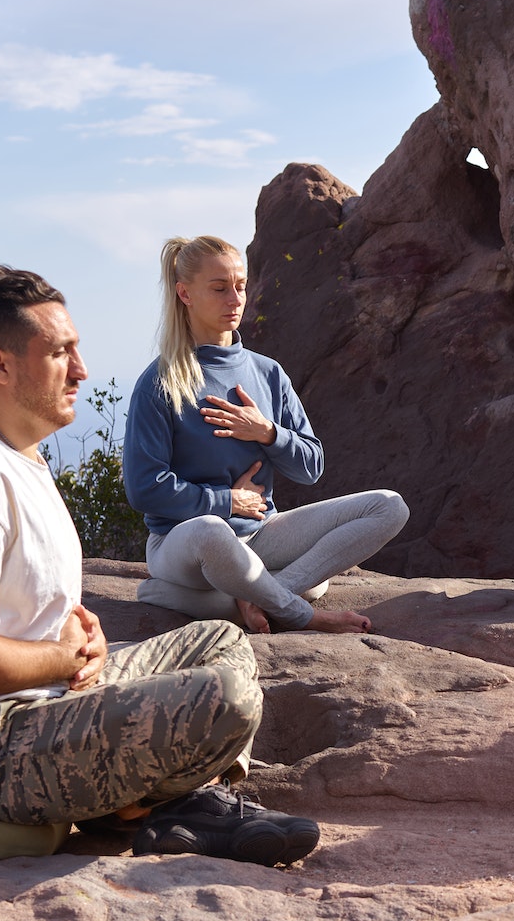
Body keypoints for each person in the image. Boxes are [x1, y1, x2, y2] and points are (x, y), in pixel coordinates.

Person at [0, 262, 318, 865]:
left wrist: (77, 633)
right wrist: (61, 657)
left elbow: (18, 607)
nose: (82, 371)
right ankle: (170, 805)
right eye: (60, 353)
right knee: (224, 697)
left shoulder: (16, 460)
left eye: (77, 350)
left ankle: (151, 805)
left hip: (42, 710)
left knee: (220, 642)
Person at [123, 235, 408, 634]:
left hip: (261, 535)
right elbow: (143, 488)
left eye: (240, 285)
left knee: (389, 506)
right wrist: (226, 502)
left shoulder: (267, 373)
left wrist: (268, 433)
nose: (235, 299)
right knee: (212, 529)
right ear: (184, 293)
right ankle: (298, 608)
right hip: (185, 545)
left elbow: (311, 467)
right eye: (220, 288)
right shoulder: (160, 382)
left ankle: (256, 595)